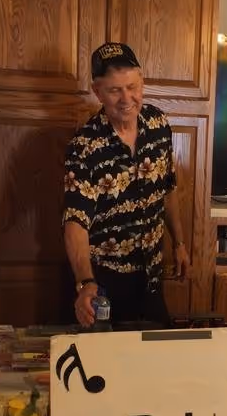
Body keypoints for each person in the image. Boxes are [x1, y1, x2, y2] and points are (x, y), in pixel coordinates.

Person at [62, 42, 191, 328]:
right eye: (115, 90)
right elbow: (75, 222)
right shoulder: (84, 147)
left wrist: (179, 244)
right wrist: (85, 283)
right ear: (97, 92)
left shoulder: (158, 125)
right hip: (105, 285)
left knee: (160, 362)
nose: (127, 98)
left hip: (152, 276)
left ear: (142, 81)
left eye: (132, 87)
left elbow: (168, 188)